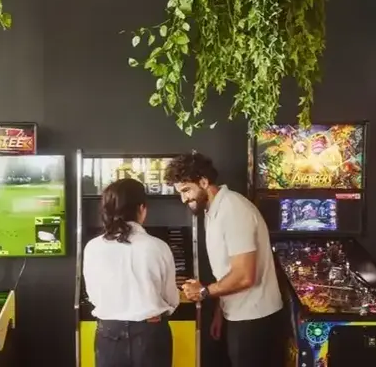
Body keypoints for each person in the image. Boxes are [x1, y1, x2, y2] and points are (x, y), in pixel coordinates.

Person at [164, 152, 284, 367]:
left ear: (203, 182)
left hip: (254, 319)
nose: (183, 199)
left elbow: (244, 276)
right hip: (238, 314)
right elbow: (227, 269)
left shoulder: (233, 209)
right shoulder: (213, 210)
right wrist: (220, 311)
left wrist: (204, 292)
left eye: (186, 190)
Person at [83, 178, 179, 367]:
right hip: (150, 333)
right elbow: (171, 298)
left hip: (109, 333)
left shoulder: (92, 247)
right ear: (141, 208)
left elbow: (93, 295)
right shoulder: (158, 246)